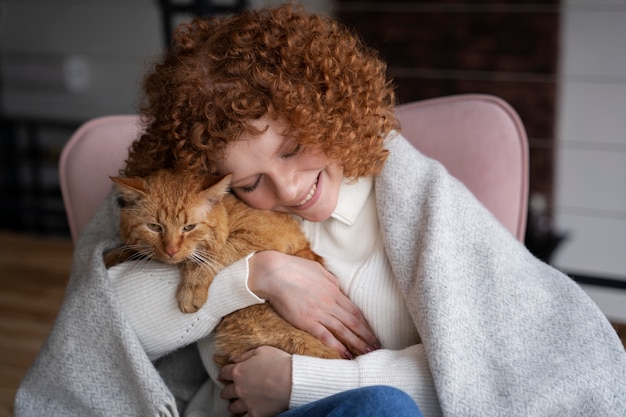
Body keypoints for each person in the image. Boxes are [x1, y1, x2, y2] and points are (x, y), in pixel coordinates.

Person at [15, 4, 626, 417]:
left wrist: (299, 384)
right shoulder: (208, 222)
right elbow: (107, 331)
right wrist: (257, 276)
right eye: (252, 179)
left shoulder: (415, 205)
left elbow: (486, 373)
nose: (289, 188)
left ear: (324, 111)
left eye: (294, 146)